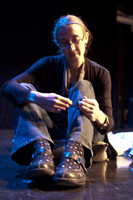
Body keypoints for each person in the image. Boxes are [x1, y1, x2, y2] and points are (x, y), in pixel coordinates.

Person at [1, 14, 114, 187]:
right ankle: (42, 153)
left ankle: (74, 156)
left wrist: (99, 116)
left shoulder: (101, 74)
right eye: (64, 42)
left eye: (76, 40)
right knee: (25, 91)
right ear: (58, 44)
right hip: (51, 137)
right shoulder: (49, 64)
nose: (71, 47)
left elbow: (109, 124)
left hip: (86, 139)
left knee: (83, 85)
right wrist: (37, 97)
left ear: (86, 38)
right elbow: (8, 86)